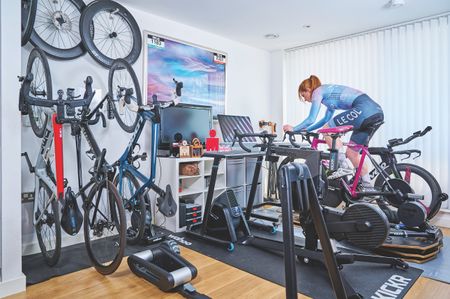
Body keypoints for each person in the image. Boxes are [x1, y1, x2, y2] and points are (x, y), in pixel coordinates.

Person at [283, 75, 384, 189]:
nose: (305, 99)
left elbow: (311, 119)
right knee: (352, 153)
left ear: (308, 90)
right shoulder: (328, 96)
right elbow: (326, 119)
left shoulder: (317, 92)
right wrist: (307, 130)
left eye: (303, 95)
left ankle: (344, 166)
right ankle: (368, 188)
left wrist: (294, 128)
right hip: (375, 112)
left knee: (327, 130)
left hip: (364, 109)